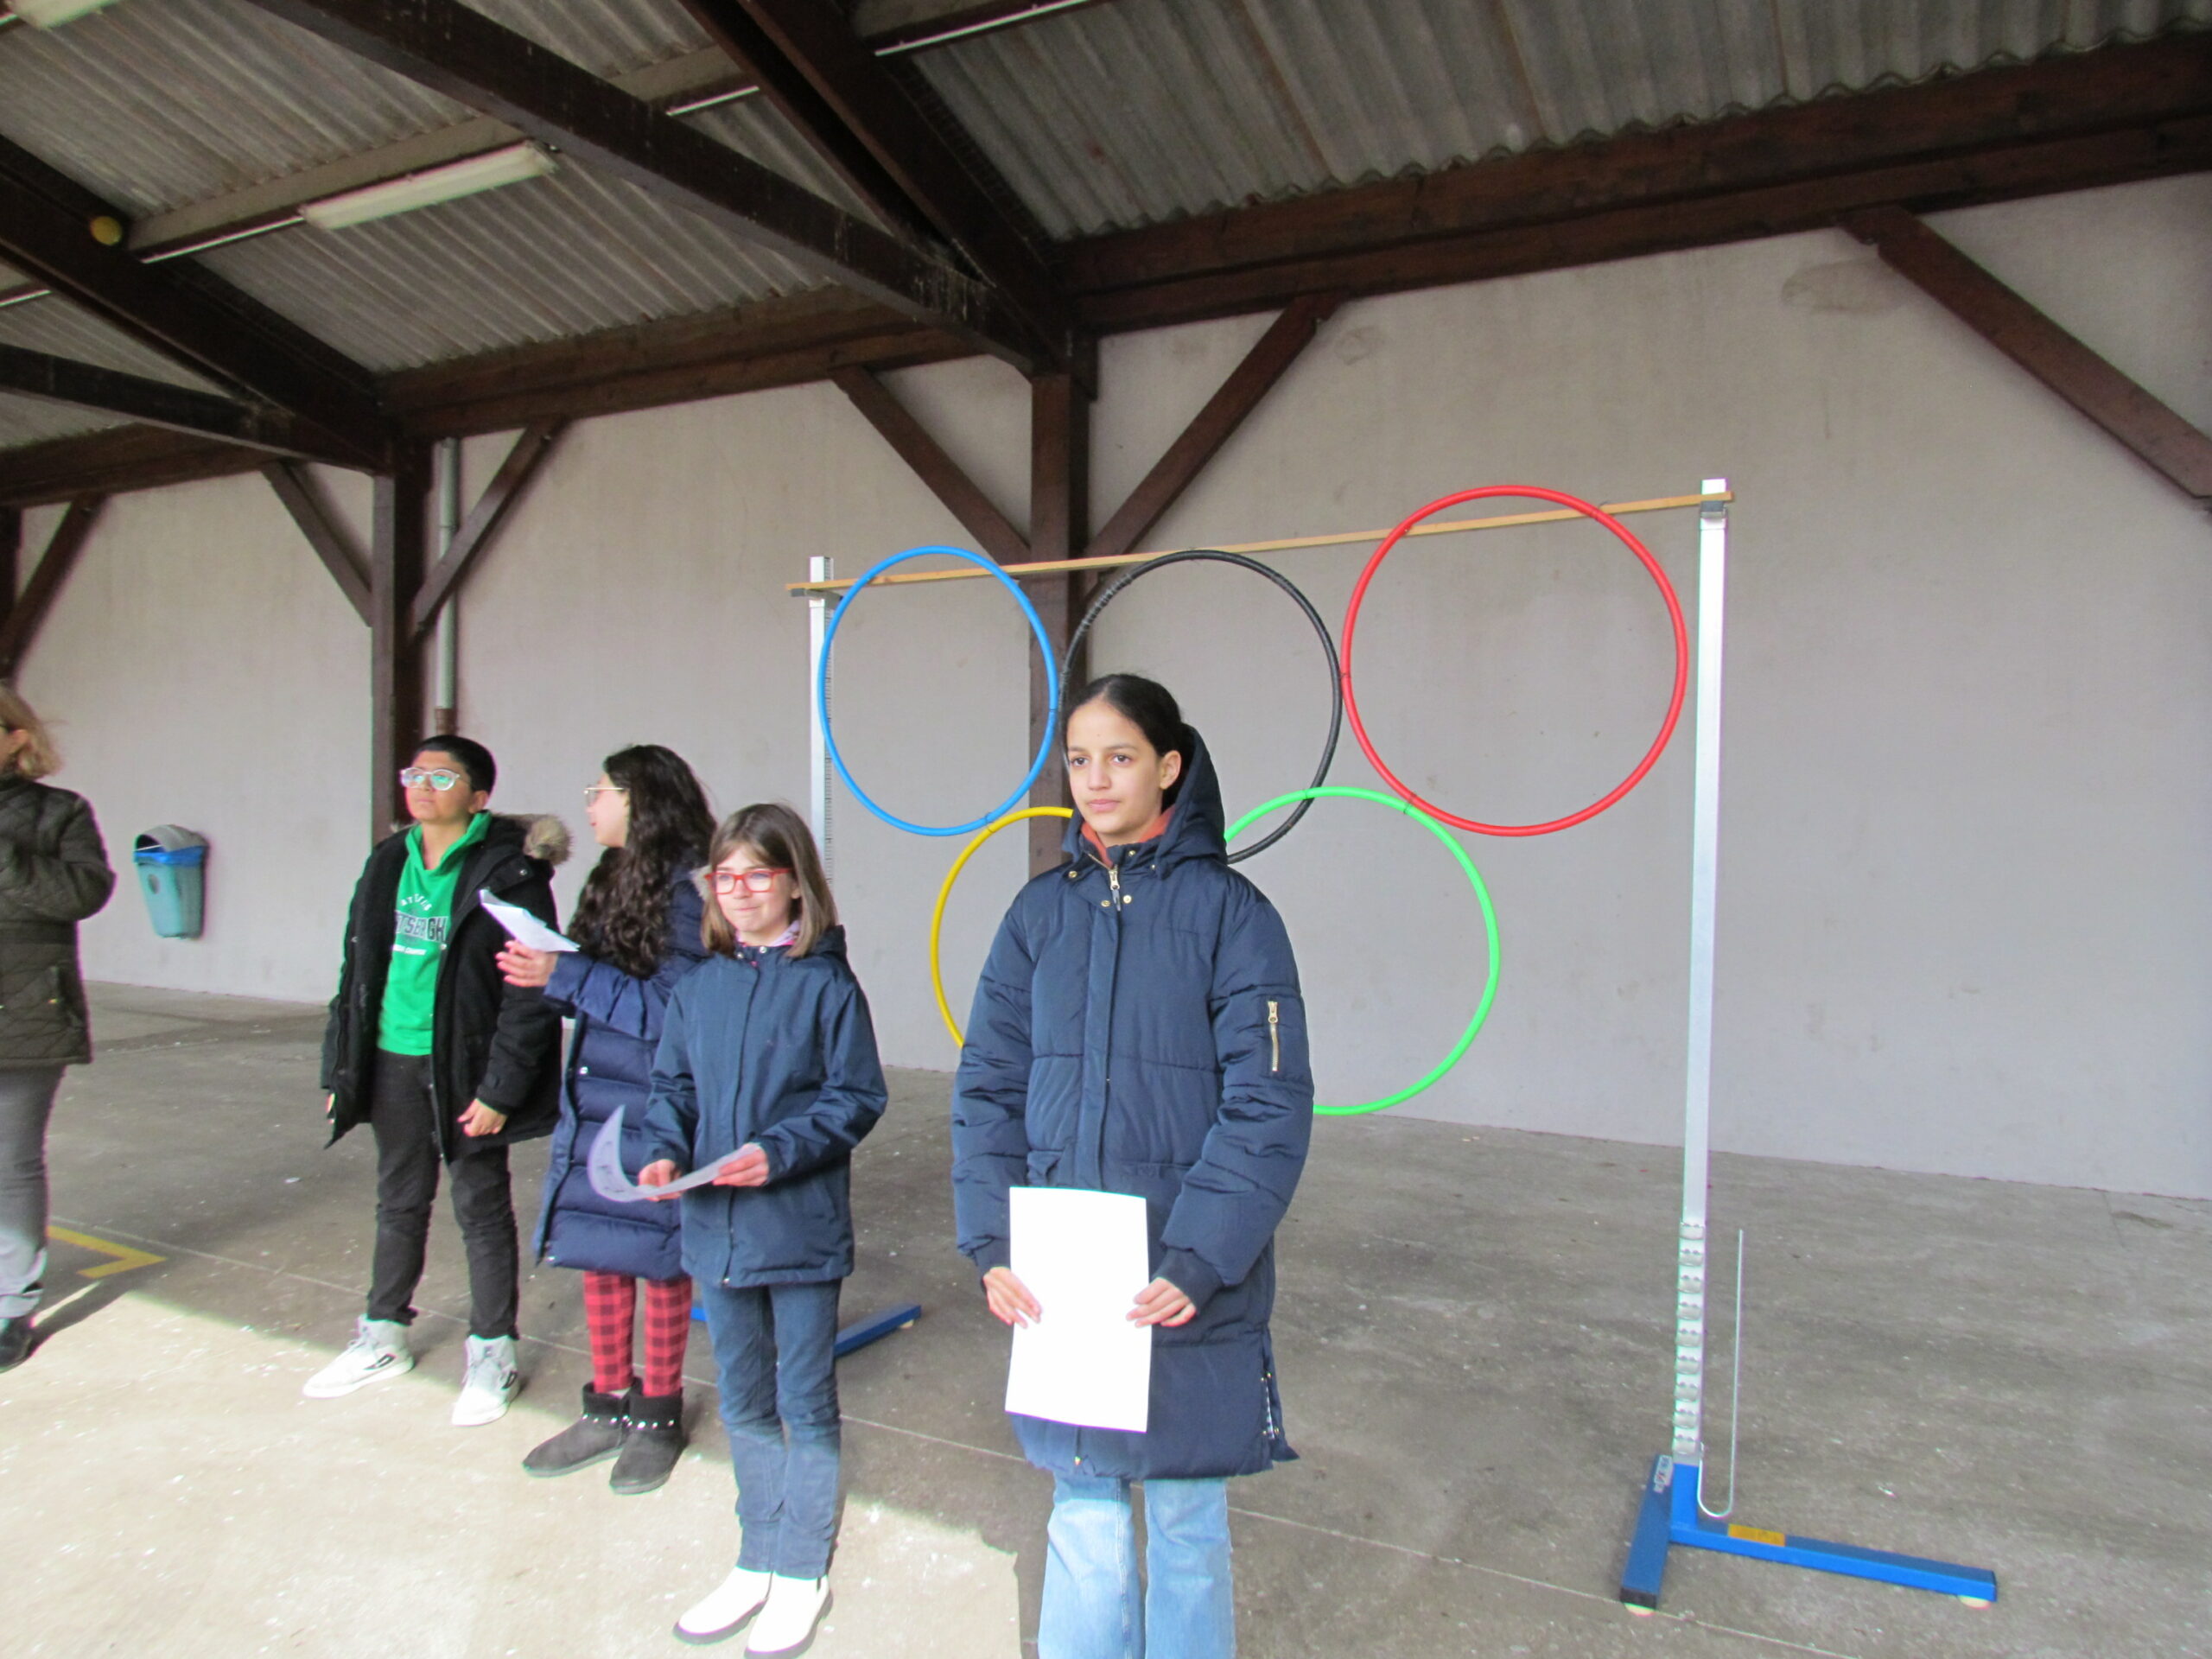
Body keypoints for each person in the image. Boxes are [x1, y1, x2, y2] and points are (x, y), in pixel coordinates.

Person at [951, 673, 1314, 1659]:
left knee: (1187, 1525)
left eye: (1120, 757)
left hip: (1180, 1277)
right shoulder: (1038, 915)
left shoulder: (1233, 915)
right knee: (1084, 1516)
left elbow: (1268, 1102)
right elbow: (987, 1088)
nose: (1097, 779)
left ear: (1169, 767)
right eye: (1079, 760)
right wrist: (992, 1242)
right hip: (1067, 1278)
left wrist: (1200, 1258)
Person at [639, 803, 886, 1656]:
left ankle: (802, 1569)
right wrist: (663, 1152)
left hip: (799, 1230)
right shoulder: (697, 987)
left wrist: (779, 1151)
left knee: (803, 1403)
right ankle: (756, 1557)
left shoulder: (826, 986)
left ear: (796, 885)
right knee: (743, 1401)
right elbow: (672, 1088)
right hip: (715, 1230)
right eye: (725, 876)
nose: (739, 891)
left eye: (758, 874)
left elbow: (856, 1097)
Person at [307, 736, 567, 1427]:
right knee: (398, 1201)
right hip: (392, 1057)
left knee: (481, 1208)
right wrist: (342, 1065)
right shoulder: (388, 859)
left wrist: (500, 1090)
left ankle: (493, 1354)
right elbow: (357, 969)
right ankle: (382, 1336)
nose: (422, 786)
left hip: (465, 1067)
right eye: (415, 774)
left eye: (441, 778)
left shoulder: (510, 872)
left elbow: (529, 994)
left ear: (478, 797)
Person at [499, 744, 713, 1495]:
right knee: (600, 1248)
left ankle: (658, 1415)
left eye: (602, 791)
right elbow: (601, 990)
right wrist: (548, 975)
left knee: (657, 1258)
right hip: (598, 1096)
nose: (589, 805)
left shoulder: (691, 891)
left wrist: (570, 975)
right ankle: (606, 1405)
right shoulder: (614, 876)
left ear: (642, 800)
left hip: (656, 1105)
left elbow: (673, 1013)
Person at [0, 689, 114, 1374]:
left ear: (17, 737)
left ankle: (11, 1306)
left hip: (28, 1013)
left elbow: (84, 893)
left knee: (11, 1162)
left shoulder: (61, 812)